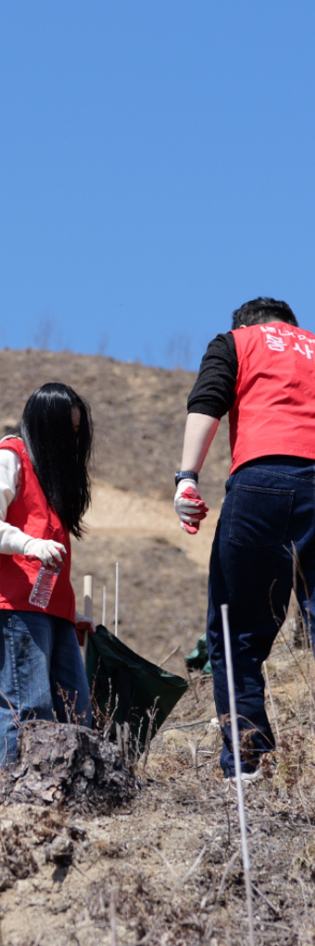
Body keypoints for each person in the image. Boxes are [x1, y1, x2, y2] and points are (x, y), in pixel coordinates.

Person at [175, 296, 315, 781]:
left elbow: (208, 401)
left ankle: (249, 761)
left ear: (245, 324)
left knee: (236, 637)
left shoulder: (235, 342)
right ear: (291, 326)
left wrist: (186, 478)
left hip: (261, 483)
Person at [0, 383, 94, 767]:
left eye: (76, 433)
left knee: (77, 711)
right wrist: (28, 544)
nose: (71, 442)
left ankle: (73, 793)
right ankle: (22, 798)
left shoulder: (50, 479)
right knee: (29, 710)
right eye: (65, 432)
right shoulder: (8, 458)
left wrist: (72, 614)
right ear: (43, 426)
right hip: (15, 605)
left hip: (52, 610)